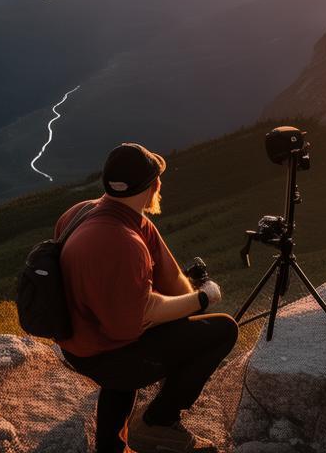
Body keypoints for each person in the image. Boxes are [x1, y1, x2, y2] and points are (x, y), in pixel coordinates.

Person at [54, 143, 237, 453]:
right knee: (223, 330)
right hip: (103, 353)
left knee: (129, 361)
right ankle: (158, 423)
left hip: (76, 340)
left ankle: (111, 446)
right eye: (158, 180)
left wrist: (187, 301)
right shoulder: (127, 243)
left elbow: (176, 284)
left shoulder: (81, 212)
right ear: (153, 186)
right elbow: (145, 313)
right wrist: (205, 299)